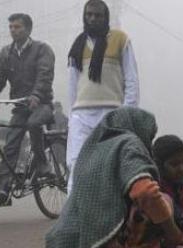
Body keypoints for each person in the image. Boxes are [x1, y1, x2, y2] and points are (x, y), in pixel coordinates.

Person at [44, 107, 183, 248]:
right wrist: (174, 234)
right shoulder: (129, 143)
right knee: (158, 203)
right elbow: (144, 192)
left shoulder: (95, 148)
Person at [0, 13, 55, 206]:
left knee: (34, 123)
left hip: (43, 104)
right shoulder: (5, 54)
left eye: (17, 27)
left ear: (28, 29)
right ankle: (4, 190)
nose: (13, 30)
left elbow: (45, 75)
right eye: (11, 27)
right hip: (20, 107)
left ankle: (42, 163)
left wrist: (37, 95)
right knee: (11, 146)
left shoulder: (42, 49)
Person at [66, 0, 139, 193]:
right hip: (81, 116)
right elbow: (72, 85)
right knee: (76, 166)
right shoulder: (77, 45)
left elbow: (132, 80)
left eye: (98, 15)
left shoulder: (120, 40)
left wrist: (127, 113)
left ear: (105, 17)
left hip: (111, 114)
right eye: (89, 14)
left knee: (111, 167)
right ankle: (73, 217)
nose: (93, 18)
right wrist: (71, 117)